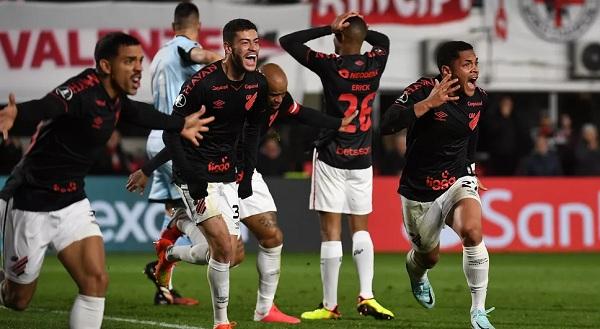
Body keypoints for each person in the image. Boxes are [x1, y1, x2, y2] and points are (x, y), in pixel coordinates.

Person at [0, 32, 213, 329]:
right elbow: (47, 105)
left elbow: (141, 113)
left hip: (72, 200)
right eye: (129, 61)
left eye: (140, 60)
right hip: (30, 200)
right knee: (16, 300)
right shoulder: (83, 89)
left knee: (96, 280)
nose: (138, 67)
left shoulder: (116, 101)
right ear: (105, 65)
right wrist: (15, 113)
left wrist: (181, 124)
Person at [127, 62, 357, 324]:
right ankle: (170, 251)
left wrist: (337, 123)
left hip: (245, 172)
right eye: (273, 95)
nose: (278, 101)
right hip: (215, 175)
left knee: (272, 235)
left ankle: (265, 309)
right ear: (258, 86)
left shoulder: (279, 100)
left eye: (282, 95)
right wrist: (147, 169)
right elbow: (186, 138)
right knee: (228, 255)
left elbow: (301, 113)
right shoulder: (232, 102)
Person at [279, 12, 394, 320]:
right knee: (361, 230)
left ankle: (330, 305)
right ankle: (367, 295)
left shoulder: (330, 65)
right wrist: (358, 30)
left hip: (332, 155)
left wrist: (328, 28)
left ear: (339, 38)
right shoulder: (375, 63)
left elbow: (287, 42)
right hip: (363, 157)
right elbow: (382, 40)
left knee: (331, 232)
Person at [161, 18, 269, 329]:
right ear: (228, 48)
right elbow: (171, 133)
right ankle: (221, 323)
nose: (252, 48)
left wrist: (246, 174)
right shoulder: (202, 84)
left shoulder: (257, 84)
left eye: (255, 41)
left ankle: (170, 251)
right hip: (194, 173)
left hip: (227, 174)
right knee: (221, 246)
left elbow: (251, 132)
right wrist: (192, 179)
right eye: (245, 43)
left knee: (230, 254)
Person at [381, 41, 495, 329]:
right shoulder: (422, 89)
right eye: (467, 64)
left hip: (457, 179)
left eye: (476, 63)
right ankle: (417, 274)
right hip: (419, 190)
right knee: (428, 257)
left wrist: (470, 167)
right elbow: (386, 124)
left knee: (472, 231)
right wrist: (429, 103)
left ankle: (478, 312)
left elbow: (472, 132)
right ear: (447, 70)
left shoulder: (479, 98)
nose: (475, 70)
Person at [143, 1, 221, 306]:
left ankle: (163, 288)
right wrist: (220, 60)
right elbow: (196, 55)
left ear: (173, 25)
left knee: (176, 209)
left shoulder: (159, 55)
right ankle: (168, 261)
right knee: (200, 209)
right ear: (197, 26)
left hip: (156, 135)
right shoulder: (184, 49)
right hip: (176, 137)